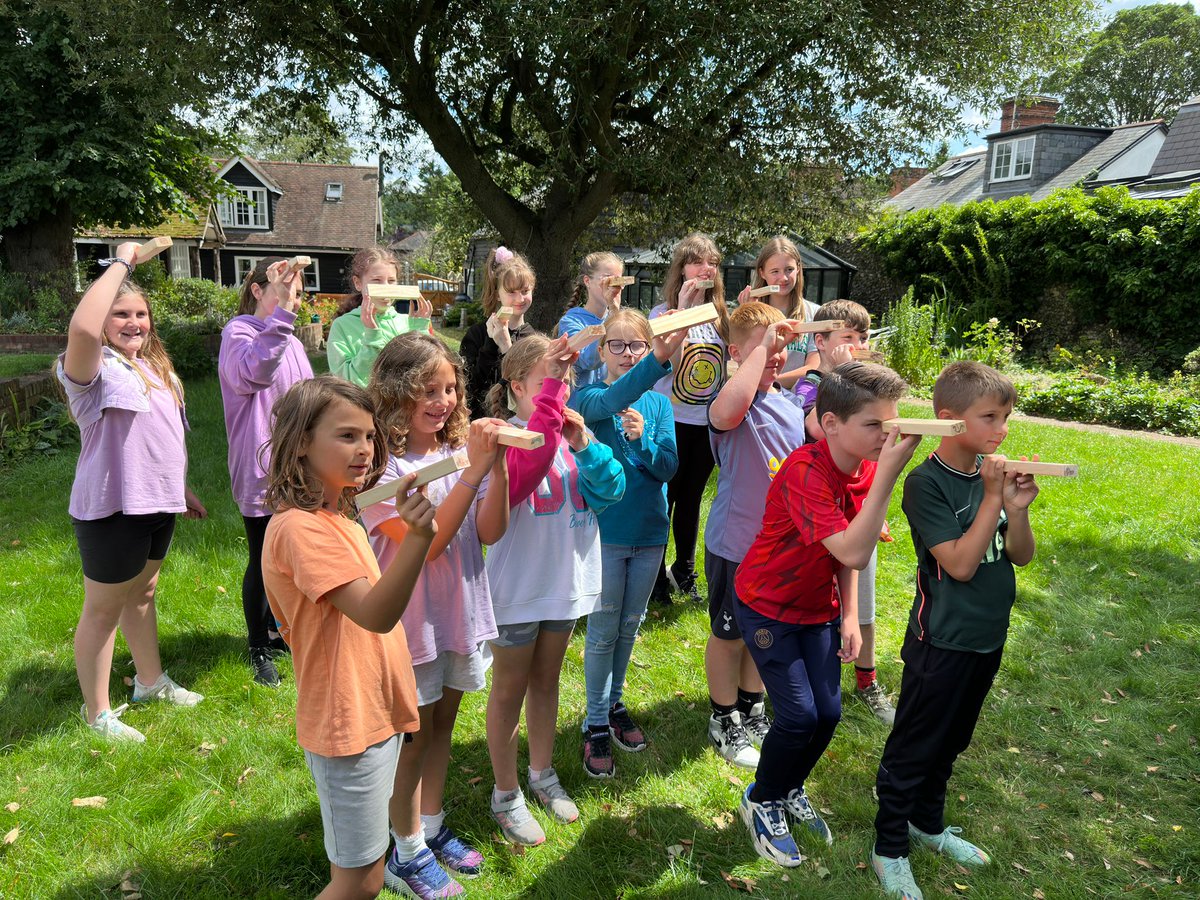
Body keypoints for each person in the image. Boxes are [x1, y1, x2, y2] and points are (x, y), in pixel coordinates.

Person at [733, 363, 919, 868]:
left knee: (830, 713)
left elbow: (846, 557)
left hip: (819, 608)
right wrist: (888, 476)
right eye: (874, 425)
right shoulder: (804, 471)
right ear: (831, 423)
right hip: (767, 605)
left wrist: (851, 616)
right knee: (798, 717)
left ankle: (789, 784)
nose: (889, 434)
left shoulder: (861, 469)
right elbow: (855, 548)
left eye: (892, 421)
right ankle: (762, 797)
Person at [260, 375, 436, 900]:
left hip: (373, 703)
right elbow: (376, 615)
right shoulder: (301, 529)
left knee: (371, 868)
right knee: (359, 882)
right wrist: (418, 539)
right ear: (300, 445)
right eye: (346, 436)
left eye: (368, 436)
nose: (365, 450)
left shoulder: (340, 514)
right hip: (346, 720)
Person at [872, 361, 1038, 900]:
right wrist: (993, 499)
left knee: (952, 740)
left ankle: (927, 823)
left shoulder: (993, 476)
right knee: (915, 745)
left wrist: (1017, 508)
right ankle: (889, 847)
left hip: (986, 637)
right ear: (949, 420)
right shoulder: (926, 485)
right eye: (990, 417)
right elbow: (961, 565)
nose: (1002, 429)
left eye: (1006, 416)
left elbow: (1020, 556)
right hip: (940, 640)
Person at [360, 333, 511, 897]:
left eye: (450, 387)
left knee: (443, 726)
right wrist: (473, 472)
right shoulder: (381, 471)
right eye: (428, 389)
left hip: (460, 615)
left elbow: (489, 533)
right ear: (396, 393)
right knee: (413, 739)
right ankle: (404, 849)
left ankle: (430, 823)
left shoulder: (456, 457)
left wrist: (494, 471)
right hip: (413, 624)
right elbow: (432, 543)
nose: (443, 400)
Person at [58, 243, 207, 743]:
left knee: (142, 593)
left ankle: (149, 682)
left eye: (141, 313)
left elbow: (157, 437)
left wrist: (179, 488)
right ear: (103, 321)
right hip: (111, 508)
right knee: (102, 609)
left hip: (156, 504)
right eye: (121, 313)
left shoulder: (151, 366)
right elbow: (81, 327)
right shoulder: (89, 369)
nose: (133, 321)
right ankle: (97, 713)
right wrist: (123, 260)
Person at [483, 334, 625, 846]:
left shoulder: (572, 435)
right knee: (508, 690)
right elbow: (519, 482)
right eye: (548, 383)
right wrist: (549, 420)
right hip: (519, 590)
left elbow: (611, 491)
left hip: (564, 587)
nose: (560, 392)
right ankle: (506, 792)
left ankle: (542, 773)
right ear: (518, 387)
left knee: (546, 682)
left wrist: (585, 444)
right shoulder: (504, 438)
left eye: (565, 382)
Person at [568, 310, 683, 777]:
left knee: (629, 627)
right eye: (617, 344)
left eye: (637, 345)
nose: (627, 353)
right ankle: (595, 724)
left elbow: (668, 467)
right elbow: (618, 394)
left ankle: (613, 705)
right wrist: (656, 359)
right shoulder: (590, 397)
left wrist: (641, 444)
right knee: (602, 631)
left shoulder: (658, 407)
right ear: (601, 351)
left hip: (651, 533)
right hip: (607, 535)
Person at [702, 302, 809, 769]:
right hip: (735, 545)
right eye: (766, 347)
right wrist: (759, 352)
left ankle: (751, 707)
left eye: (783, 347)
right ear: (736, 354)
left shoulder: (787, 406)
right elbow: (727, 414)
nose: (776, 355)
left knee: (762, 634)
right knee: (729, 636)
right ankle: (723, 717)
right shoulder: (730, 400)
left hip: (778, 551)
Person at [794, 300, 897, 725]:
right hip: (820, 514)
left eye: (863, 338)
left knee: (863, 601)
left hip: (859, 508)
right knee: (820, 602)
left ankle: (867, 680)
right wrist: (836, 375)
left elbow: (881, 440)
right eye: (847, 338)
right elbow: (816, 427)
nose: (857, 346)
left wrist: (876, 506)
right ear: (821, 341)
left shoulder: (870, 389)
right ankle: (817, 679)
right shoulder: (813, 382)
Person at [218, 256, 314, 687]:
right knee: (262, 557)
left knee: (292, 556)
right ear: (258, 290)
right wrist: (283, 317)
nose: (292, 296)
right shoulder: (238, 332)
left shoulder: (290, 338)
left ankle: (279, 630)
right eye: (282, 286)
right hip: (261, 467)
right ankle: (258, 643)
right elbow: (254, 374)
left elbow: (307, 398)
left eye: (297, 288)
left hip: (298, 464)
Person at [648, 233, 731, 604]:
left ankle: (684, 569)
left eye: (711, 262)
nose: (706, 268)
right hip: (671, 419)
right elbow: (672, 362)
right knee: (666, 497)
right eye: (698, 261)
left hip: (706, 423)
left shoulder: (720, 316)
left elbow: (728, 366)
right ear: (682, 269)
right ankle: (655, 577)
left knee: (693, 498)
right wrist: (683, 309)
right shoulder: (662, 313)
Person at [326, 247, 433, 386]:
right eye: (377, 280)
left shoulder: (406, 322)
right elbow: (345, 380)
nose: (386, 288)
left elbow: (425, 373)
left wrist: (420, 332)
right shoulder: (342, 326)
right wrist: (371, 337)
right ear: (358, 283)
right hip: (365, 407)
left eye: (391, 280)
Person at [459, 246, 537, 418]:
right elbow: (468, 387)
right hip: (481, 424)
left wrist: (506, 346)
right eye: (511, 292)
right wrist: (490, 344)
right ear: (497, 295)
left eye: (525, 291)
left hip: (520, 427)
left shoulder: (533, 339)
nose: (520, 299)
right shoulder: (477, 334)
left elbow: (530, 390)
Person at [736, 236, 819, 389]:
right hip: (759, 403)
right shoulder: (752, 312)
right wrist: (748, 318)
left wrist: (769, 383)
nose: (783, 278)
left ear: (799, 268)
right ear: (762, 273)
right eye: (775, 271)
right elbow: (743, 362)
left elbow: (814, 367)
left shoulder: (814, 313)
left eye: (789, 269)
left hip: (798, 405)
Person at [556, 251, 626, 386]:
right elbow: (588, 359)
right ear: (587, 281)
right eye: (608, 279)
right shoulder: (571, 321)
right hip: (579, 404)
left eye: (618, 280)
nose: (614, 286)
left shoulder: (620, 320)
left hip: (609, 403)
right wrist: (613, 313)